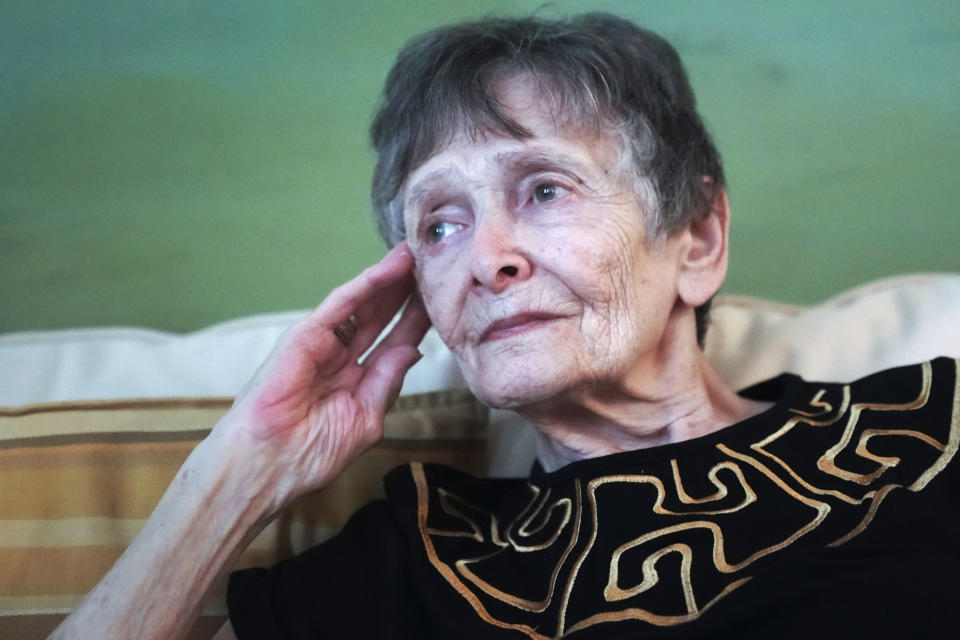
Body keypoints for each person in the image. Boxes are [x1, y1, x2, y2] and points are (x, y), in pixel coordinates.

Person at [51, 13, 958, 640]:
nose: (488, 257)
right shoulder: (414, 567)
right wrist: (241, 470)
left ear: (697, 239)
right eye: (439, 223)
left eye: (545, 189)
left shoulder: (925, 436)